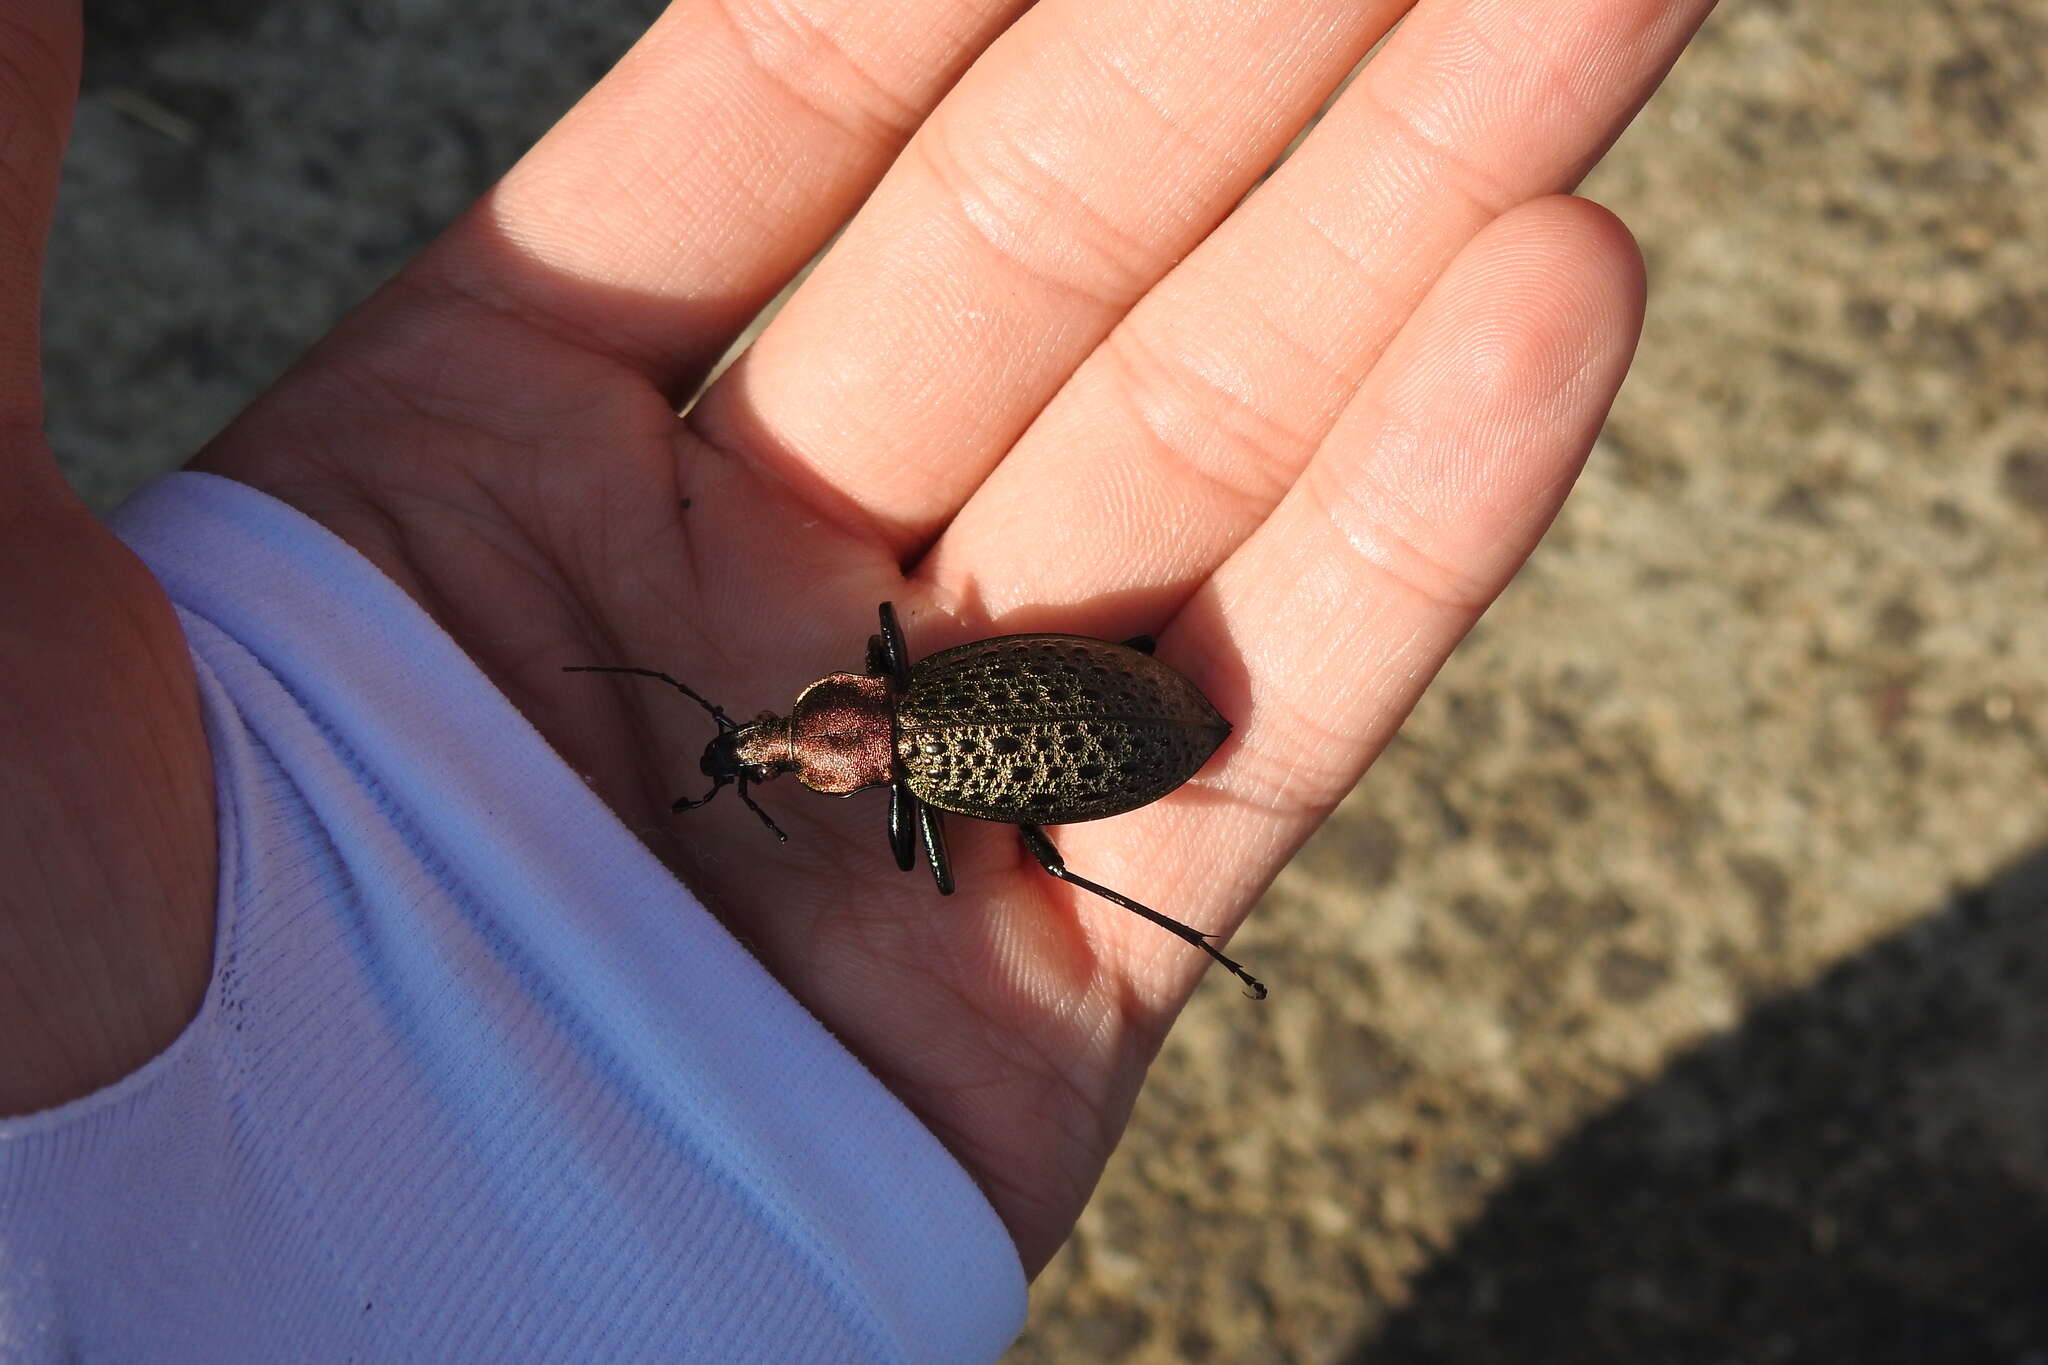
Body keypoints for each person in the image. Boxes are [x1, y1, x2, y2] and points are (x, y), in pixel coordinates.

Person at [0, 0, 1712, 1358]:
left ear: (849, 736)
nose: (764, 748)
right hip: (1086, 726)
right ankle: (1191, 924)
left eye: (773, 745)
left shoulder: (916, 779)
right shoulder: (909, 706)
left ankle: (1193, 931)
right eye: (775, 751)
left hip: (1109, 734)